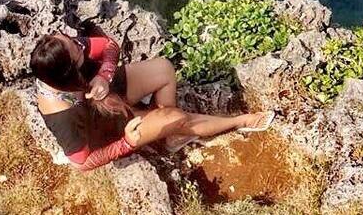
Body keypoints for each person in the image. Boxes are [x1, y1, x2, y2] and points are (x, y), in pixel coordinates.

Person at [30, 24, 273, 171]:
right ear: (70, 69)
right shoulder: (62, 113)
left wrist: (104, 75)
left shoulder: (64, 48)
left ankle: (170, 133)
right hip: (104, 128)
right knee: (177, 117)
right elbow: (81, 164)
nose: (80, 45)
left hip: (104, 91)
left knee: (163, 68)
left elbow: (108, 45)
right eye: (77, 49)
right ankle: (240, 122)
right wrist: (126, 143)